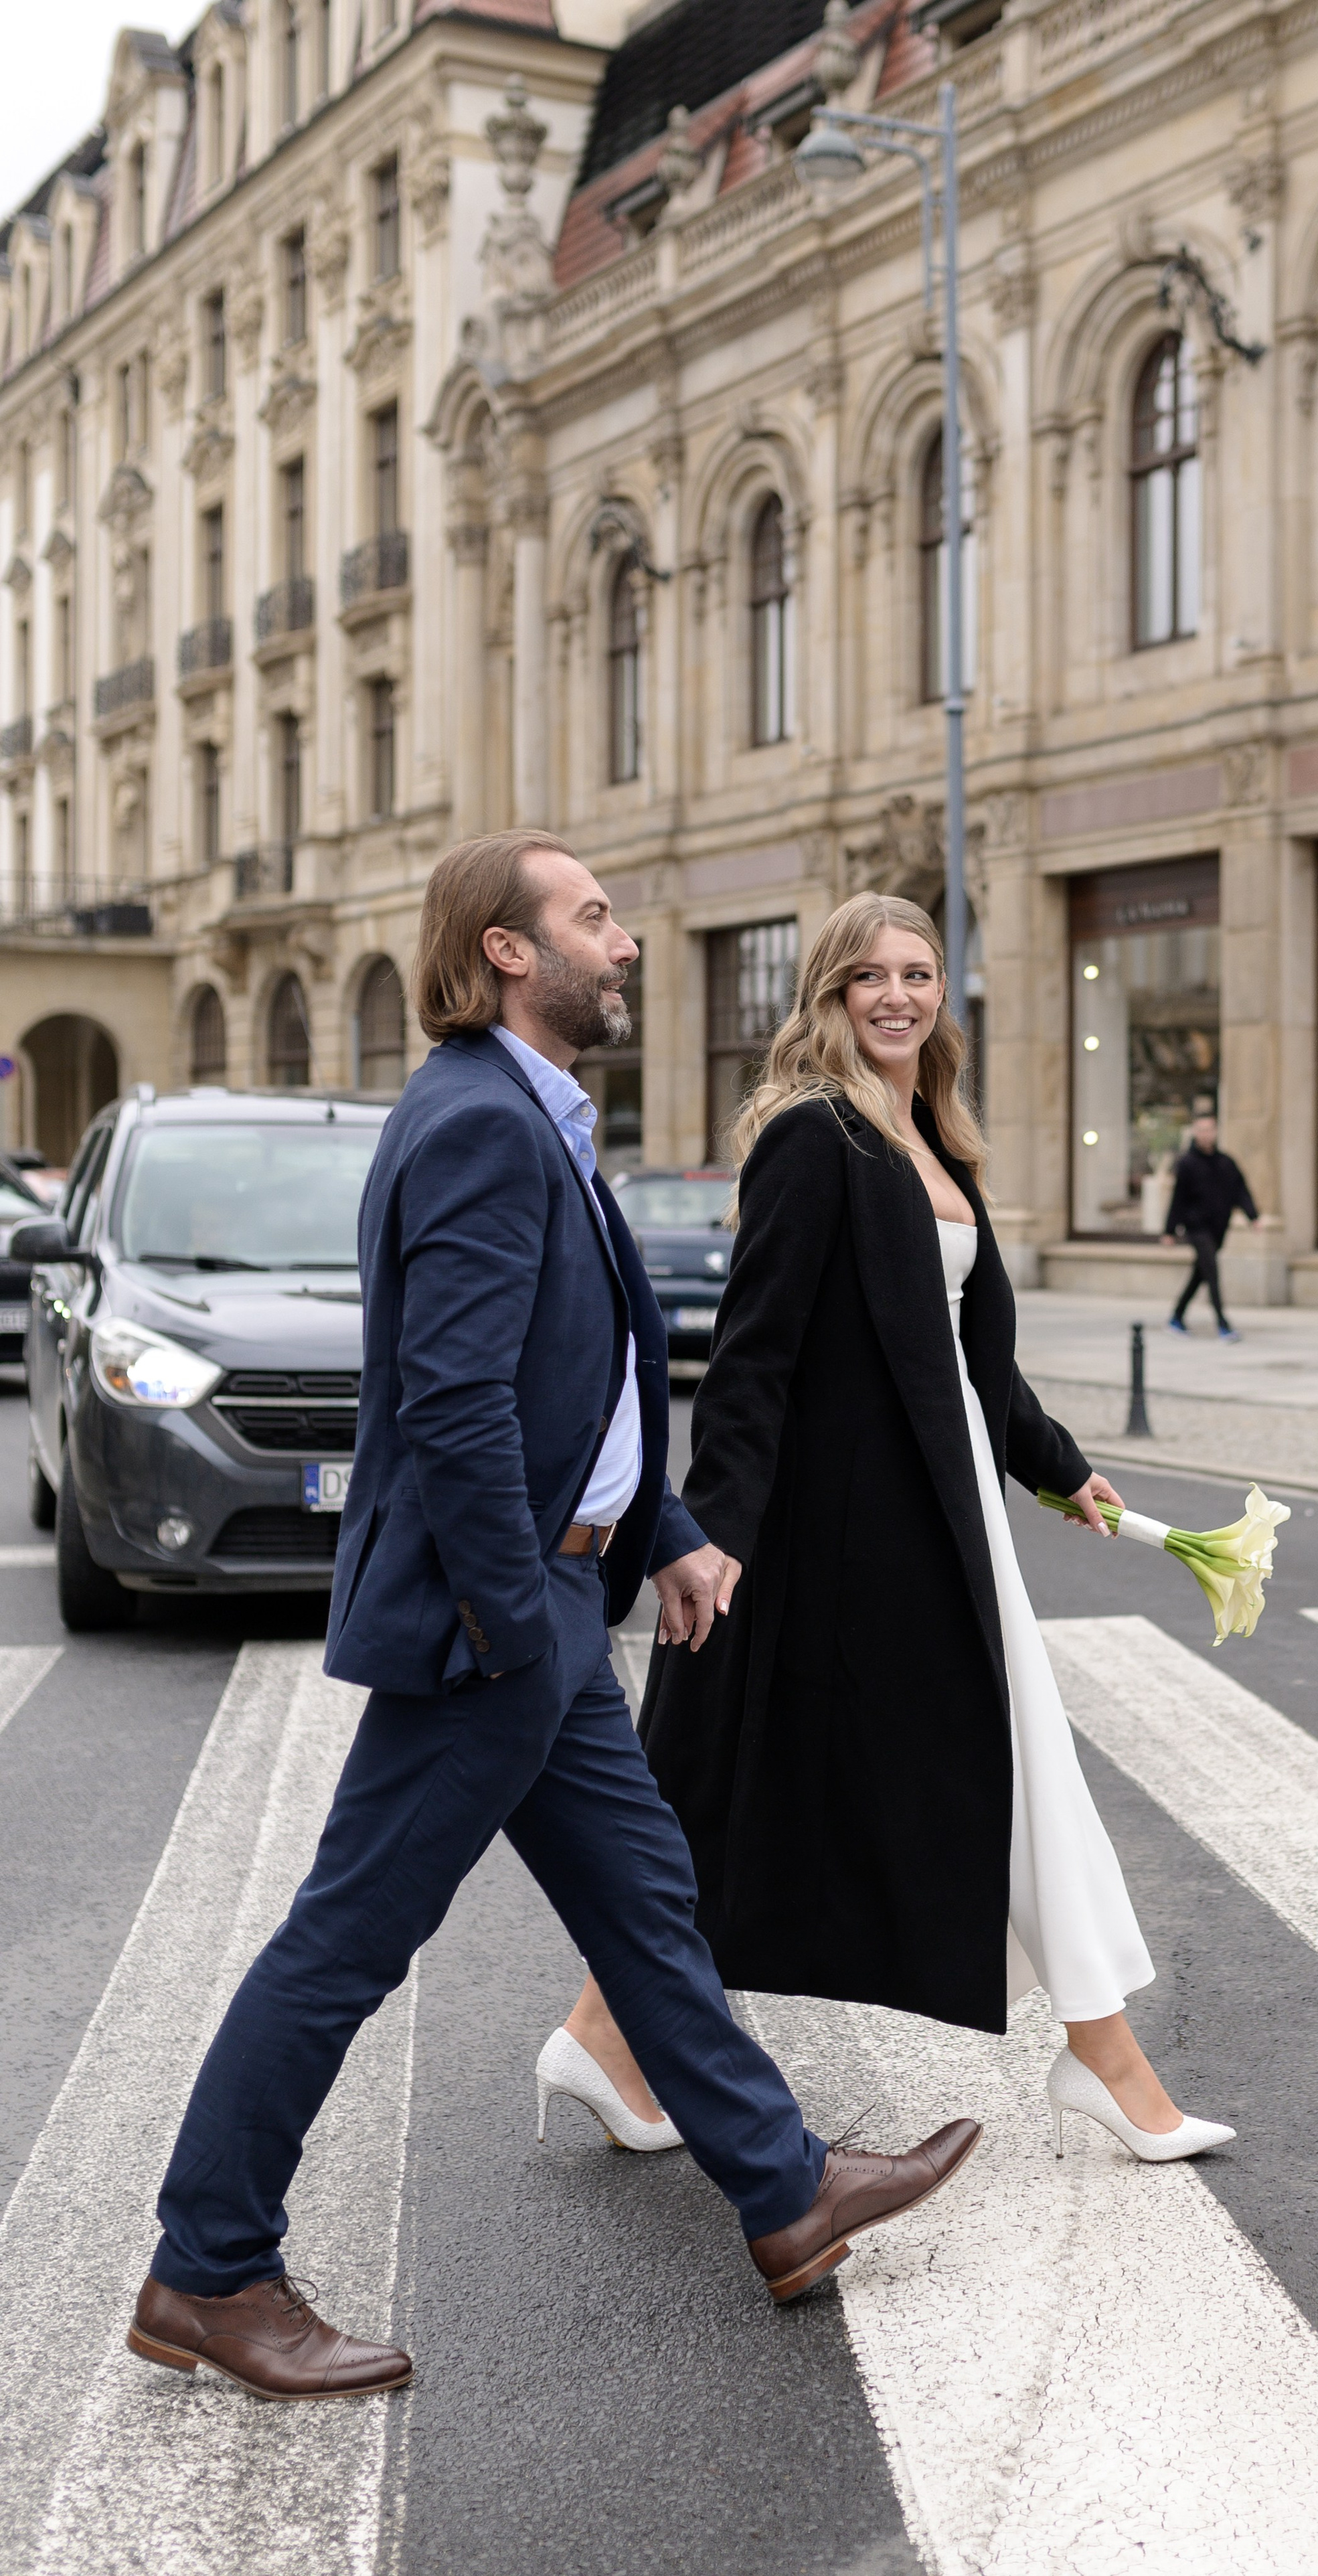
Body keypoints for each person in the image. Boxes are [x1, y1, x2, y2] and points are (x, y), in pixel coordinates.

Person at [126, 836, 980, 2401]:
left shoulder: (533, 1114)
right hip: (495, 1620)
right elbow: (450, 1406)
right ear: (507, 952)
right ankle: (206, 2264)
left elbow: (565, 1379)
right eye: (593, 919)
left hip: (543, 1604)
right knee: (347, 1936)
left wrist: (659, 1529)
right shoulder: (475, 1123)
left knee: (650, 1902)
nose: (626, 942)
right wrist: (519, 1624)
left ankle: (784, 2192)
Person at [548, 892, 1232, 2172]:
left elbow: (972, 1362)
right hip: (847, 1528)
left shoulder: (933, 1137)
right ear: (830, 995)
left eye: (918, 973)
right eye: (869, 976)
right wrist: (712, 1539)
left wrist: (1062, 1470)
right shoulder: (814, 1139)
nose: (898, 996)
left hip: (950, 1502)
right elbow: (753, 1359)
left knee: (843, 1776)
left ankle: (608, 2030)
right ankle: (1106, 2060)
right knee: (852, 1767)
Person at [1163, 1108, 1257, 1342]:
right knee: (1212, 1272)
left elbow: (1241, 1191)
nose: (1206, 1134)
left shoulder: (1225, 1163)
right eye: (1201, 1130)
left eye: (1210, 1129)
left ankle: (1176, 1316)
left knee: (1200, 1273)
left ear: (1216, 1132)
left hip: (1218, 1229)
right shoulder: (1186, 1164)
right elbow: (1178, 1199)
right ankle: (1223, 1324)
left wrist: (1253, 1217)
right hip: (1196, 1228)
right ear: (1195, 1133)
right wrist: (1169, 1230)